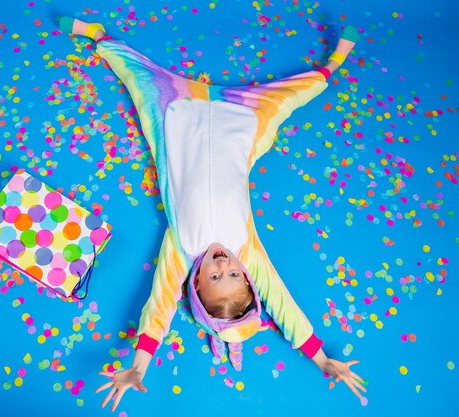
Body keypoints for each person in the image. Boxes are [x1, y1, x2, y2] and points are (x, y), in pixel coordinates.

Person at [56, 16, 366, 411]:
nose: (224, 263)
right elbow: (282, 304)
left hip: (177, 114)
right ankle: (330, 67)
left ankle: (99, 35)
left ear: (196, 286)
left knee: (139, 79)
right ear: (247, 276)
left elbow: (159, 308)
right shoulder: (247, 249)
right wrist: (322, 359)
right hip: (240, 123)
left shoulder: (182, 251)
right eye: (234, 274)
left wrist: (138, 367)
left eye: (215, 277)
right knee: (289, 97)